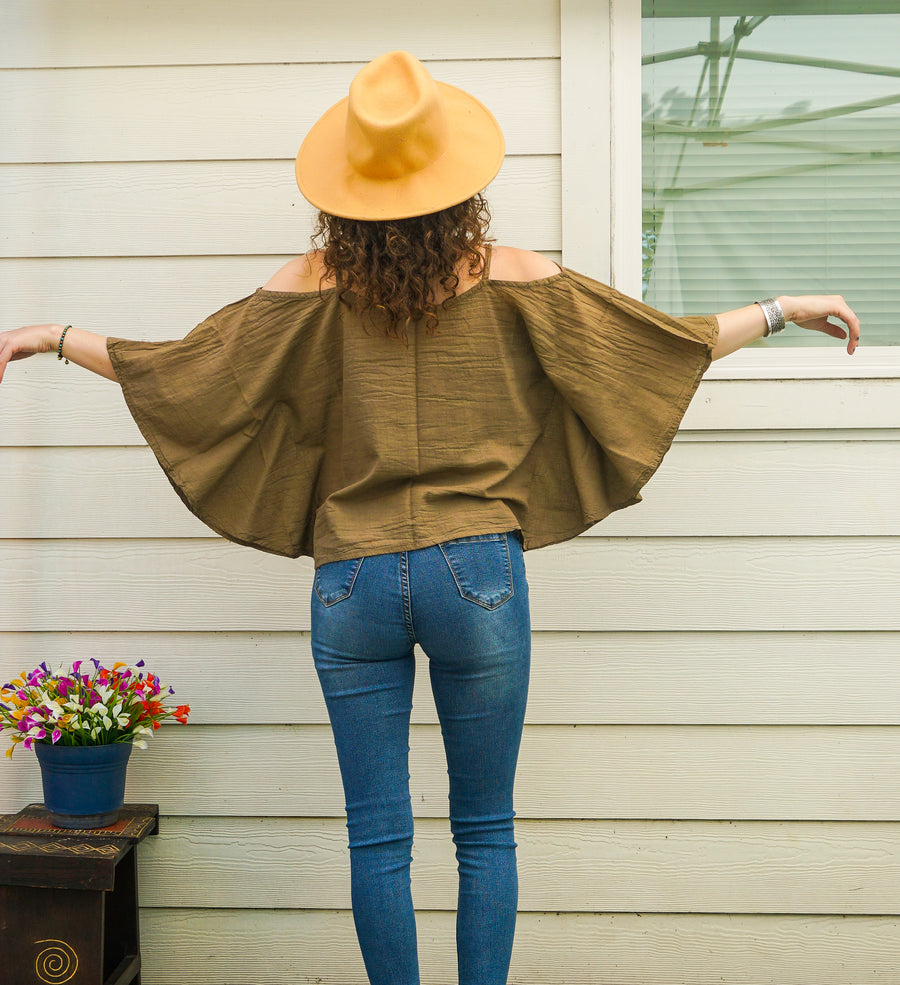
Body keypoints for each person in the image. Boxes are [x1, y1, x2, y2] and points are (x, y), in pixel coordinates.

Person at [0, 50, 860, 985]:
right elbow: (653, 347)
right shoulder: (516, 273)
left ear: (346, 185)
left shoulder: (305, 284)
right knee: (485, 826)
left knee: (378, 836)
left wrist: (53, 337)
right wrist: (780, 308)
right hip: (477, 574)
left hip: (352, 581)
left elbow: (178, 371)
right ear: (457, 181)